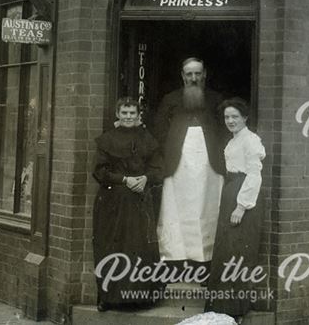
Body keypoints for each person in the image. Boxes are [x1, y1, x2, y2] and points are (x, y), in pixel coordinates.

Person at [92, 97, 164, 311]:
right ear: (118, 114)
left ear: (138, 115)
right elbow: (99, 171)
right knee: (110, 246)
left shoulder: (147, 139)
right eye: (124, 113)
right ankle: (108, 297)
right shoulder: (107, 140)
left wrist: (145, 179)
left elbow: (158, 168)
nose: (128, 117)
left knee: (139, 248)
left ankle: (141, 298)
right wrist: (124, 180)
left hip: (139, 202)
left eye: (132, 113)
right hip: (112, 203)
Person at [153, 57, 226, 264]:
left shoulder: (215, 99)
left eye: (197, 73)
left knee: (208, 209)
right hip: (178, 165)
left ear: (204, 75)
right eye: (189, 74)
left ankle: (206, 260)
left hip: (209, 166)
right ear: (182, 76)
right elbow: (159, 131)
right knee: (176, 210)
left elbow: (224, 131)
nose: (193, 78)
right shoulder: (170, 99)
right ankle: (176, 259)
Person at [205, 98, 267, 317]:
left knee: (237, 250)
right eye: (227, 117)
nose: (230, 121)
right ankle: (222, 307)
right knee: (226, 249)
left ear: (245, 118)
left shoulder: (251, 141)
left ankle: (234, 308)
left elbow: (254, 174)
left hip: (243, 195)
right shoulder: (233, 140)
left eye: (235, 117)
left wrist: (241, 206)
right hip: (232, 190)